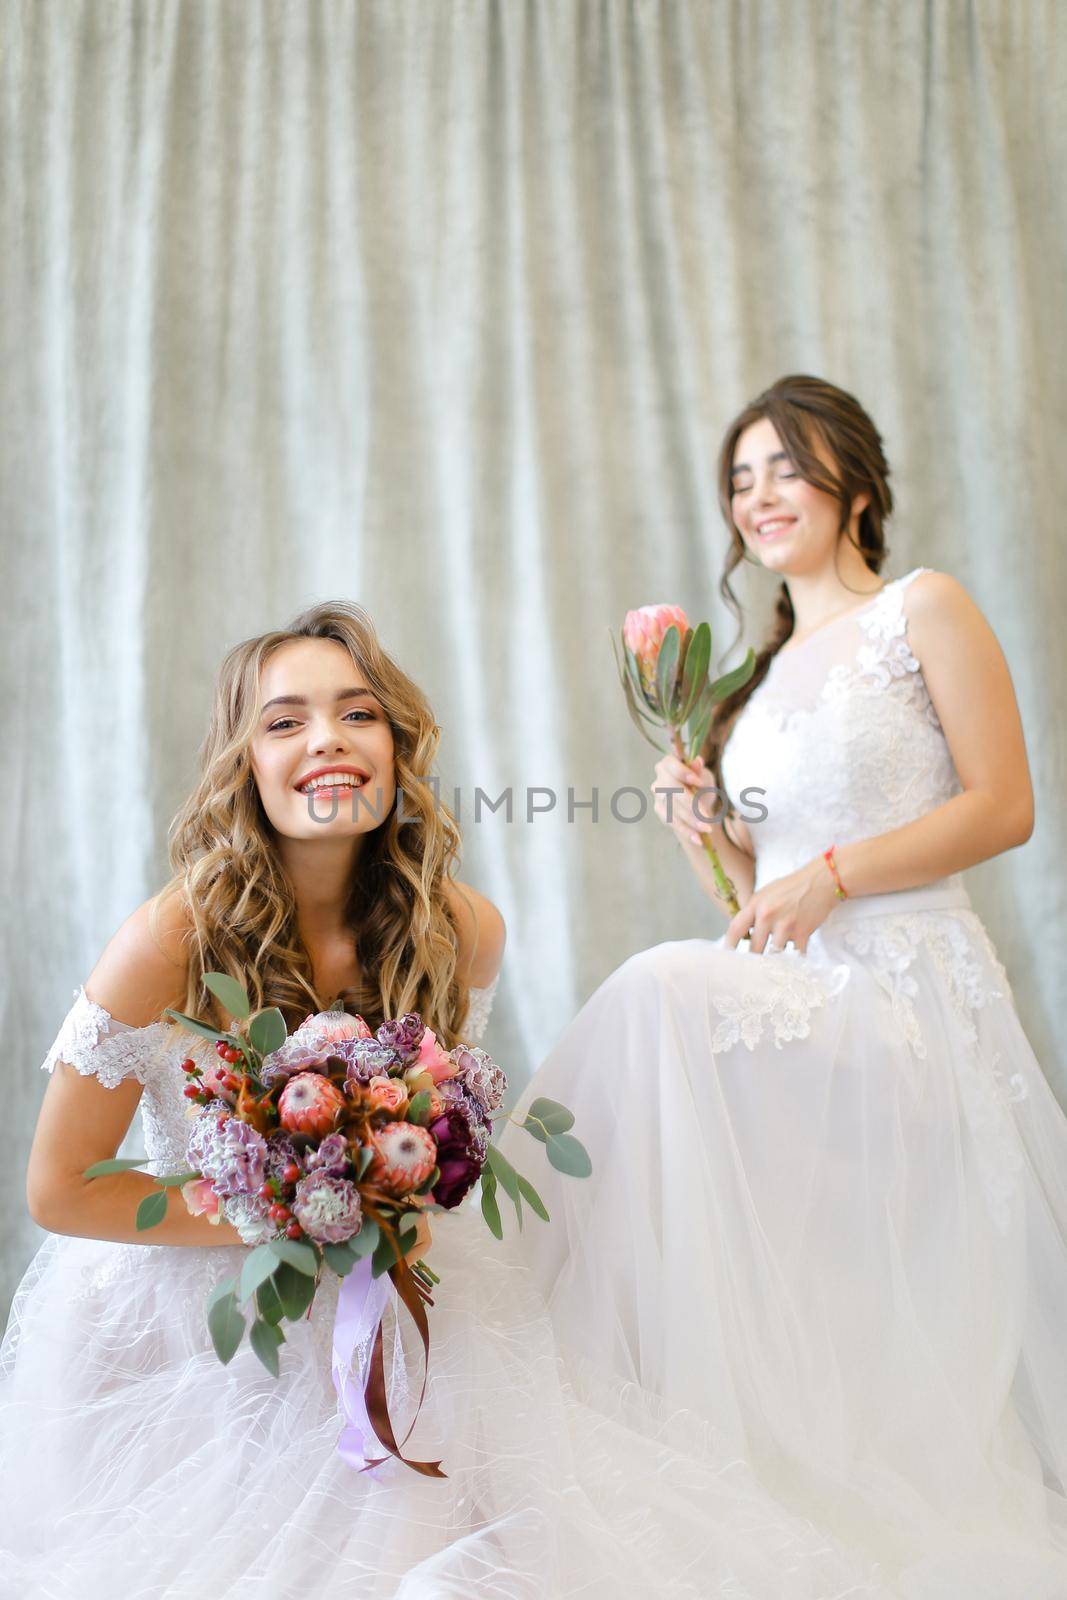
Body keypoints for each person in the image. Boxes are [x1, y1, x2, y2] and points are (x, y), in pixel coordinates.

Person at [1, 599, 903, 1600]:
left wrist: (388, 1206)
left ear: (395, 747)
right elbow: (59, 1189)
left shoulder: (458, 928)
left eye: (357, 714)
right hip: (197, 1310)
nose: (327, 742)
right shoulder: (172, 938)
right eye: (284, 720)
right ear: (242, 763)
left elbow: (430, 1137)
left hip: (395, 1288)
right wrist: (279, 1209)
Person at [500, 375, 1067, 1597]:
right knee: (662, 1012)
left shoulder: (923, 609)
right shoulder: (748, 685)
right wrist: (697, 826)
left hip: (910, 991)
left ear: (853, 485)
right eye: (740, 476)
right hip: (805, 990)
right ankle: (561, 1370)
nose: (758, 494)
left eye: (784, 468)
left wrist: (829, 872)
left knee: (654, 991)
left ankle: (497, 1277)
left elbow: (1003, 806)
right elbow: (748, 906)